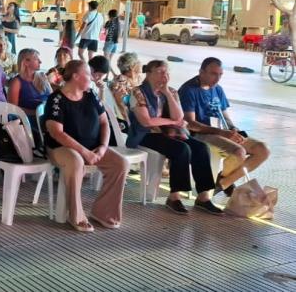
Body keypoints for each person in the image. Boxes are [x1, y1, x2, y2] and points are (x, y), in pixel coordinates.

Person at [127, 60, 222, 215]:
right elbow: (147, 121)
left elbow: (179, 116)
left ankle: (203, 197)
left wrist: (166, 93)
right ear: (148, 74)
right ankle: (174, 197)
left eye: (166, 72)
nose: (163, 75)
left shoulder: (172, 92)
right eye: (159, 71)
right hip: (146, 135)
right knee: (181, 149)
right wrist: (172, 121)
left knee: (200, 148)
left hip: (170, 133)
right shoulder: (138, 92)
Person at [44, 61, 128, 232]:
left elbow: (104, 122)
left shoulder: (91, 95)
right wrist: (85, 153)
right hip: (61, 149)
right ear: (76, 76)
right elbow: (57, 133)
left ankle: (103, 212)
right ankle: (76, 216)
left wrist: (103, 147)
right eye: (88, 74)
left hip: (93, 147)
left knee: (120, 164)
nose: (91, 78)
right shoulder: (56, 99)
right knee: (76, 161)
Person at [178, 57, 271, 197]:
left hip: (222, 131)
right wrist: (222, 132)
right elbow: (190, 123)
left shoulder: (217, 89)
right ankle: (225, 184)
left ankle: (223, 182)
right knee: (238, 152)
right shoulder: (189, 90)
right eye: (213, 74)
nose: (217, 78)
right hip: (200, 134)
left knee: (262, 150)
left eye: (220, 74)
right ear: (201, 72)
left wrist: (233, 129)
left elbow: (225, 116)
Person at [7, 48, 52, 129]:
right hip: (29, 120)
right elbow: (12, 109)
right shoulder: (16, 82)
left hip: (48, 115)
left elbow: (52, 97)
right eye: (36, 59)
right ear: (26, 62)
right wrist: (35, 112)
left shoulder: (42, 77)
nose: (40, 61)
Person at [110, 52, 142, 120]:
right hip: (128, 119)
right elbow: (120, 106)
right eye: (138, 62)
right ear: (132, 67)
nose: (140, 63)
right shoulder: (121, 81)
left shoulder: (137, 79)